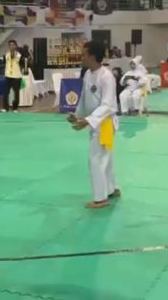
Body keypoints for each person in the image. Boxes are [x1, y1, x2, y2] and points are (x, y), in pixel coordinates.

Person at [68, 41, 120, 209]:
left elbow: (108, 105)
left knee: (95, 158)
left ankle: (100, 198)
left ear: (92, 56)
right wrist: (77, 115)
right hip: (95, 121)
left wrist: (88, 120)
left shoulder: (106, 76)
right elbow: (84, 98)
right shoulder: (87, 74)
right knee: (105, 157)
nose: (81, 57)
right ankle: (112, 188)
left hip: (105, 123)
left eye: (83, 54)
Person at [1, 40, 23, 113]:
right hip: (8, 76)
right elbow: (4, 64)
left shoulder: (19, 55)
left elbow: (22, 65)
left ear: (16, 46)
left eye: (13, 45)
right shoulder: (6, 55)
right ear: (8, 46)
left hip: (16, 76)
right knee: (5, 92)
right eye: (10, 45)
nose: (12, 46)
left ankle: (15, 108)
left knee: (16, 93)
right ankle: (5, 107)